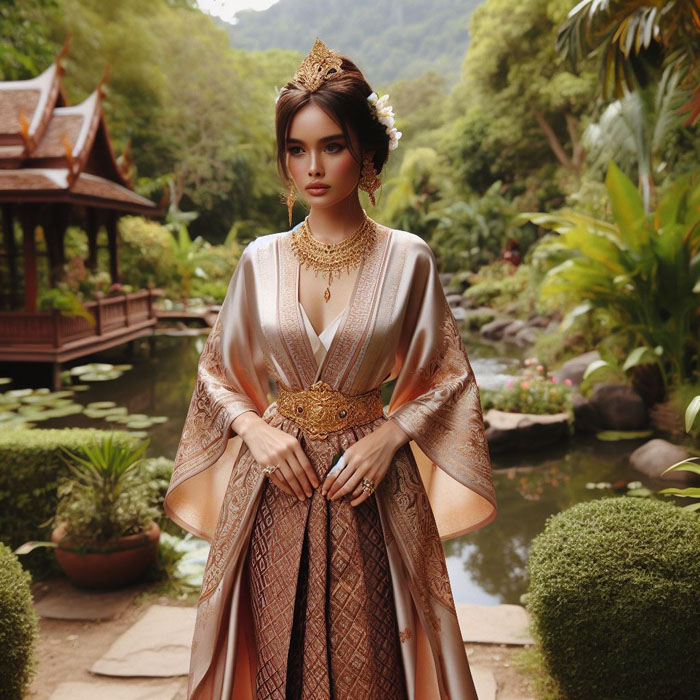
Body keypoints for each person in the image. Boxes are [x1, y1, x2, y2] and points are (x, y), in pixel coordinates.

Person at [164, 38, 498, 700]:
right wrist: (253, 430)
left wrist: (392, 434)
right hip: (273, 485)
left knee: (372, 653)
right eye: (296, 148)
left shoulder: (409, 260)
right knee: (273, 649)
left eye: (332, 145)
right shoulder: (259, 260)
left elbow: (450, 377)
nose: (312, 166)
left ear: (366, 151)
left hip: (369, 485)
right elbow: (214, 374)